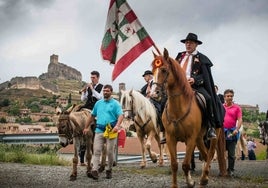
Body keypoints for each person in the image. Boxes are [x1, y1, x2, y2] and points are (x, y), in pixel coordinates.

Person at [175, 32, 223, 140]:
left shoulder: (202, 58)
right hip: (179, 87)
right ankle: (165, 128)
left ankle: (210, 127)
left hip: (195, 86)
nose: (188, 45)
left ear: (196, 44)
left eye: (191, 43)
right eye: (186, 42)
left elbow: (205, 76)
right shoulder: (179, 56)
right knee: (165, 99)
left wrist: (195, 79)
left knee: (208, 99)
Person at [83, 84, 123, 180]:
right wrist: (86, 127)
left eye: (107, 91)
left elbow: (121, 115)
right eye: (104, 91)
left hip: (111, 130)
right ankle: (95, 170)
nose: (105, 92)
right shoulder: (98, 103)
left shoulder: (116, 104)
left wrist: (117, 126)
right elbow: (92, 116)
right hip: (99, 130)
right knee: (96, 150)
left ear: (111, 92)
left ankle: (109, 169)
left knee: (109, 151)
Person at [78, 70, 103, 166]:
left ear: (98, 78)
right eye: (91, 77)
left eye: (94, 77)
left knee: (94, 126)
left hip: (95, 108)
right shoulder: (88, 87)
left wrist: (92, 89)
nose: (92, 79)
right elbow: (83, 99)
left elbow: (100, 97)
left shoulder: (102, 87)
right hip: (86, 107)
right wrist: (83, 92)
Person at [140, 70, 166, 141]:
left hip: (155, 102)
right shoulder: (145, 87)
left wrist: (155, 95)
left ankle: (161, 125)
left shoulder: (155, 84)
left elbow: (160, 93)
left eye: (145, 76)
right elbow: (141, 94)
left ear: (149, 76)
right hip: (145, 103)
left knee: (158, 110)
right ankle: (137, 126)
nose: (144, 78)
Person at [223, 89, 243, 177]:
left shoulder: (237, 108)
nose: (230, 97)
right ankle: (222, 170)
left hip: (232, 132)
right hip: (222, 133)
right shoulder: (221, 107)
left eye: (231, 96)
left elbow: (240, 119)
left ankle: (230, 170)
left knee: (231, 154)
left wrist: (237, 129)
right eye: (228, 96)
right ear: (224, 97)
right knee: (221, 153)